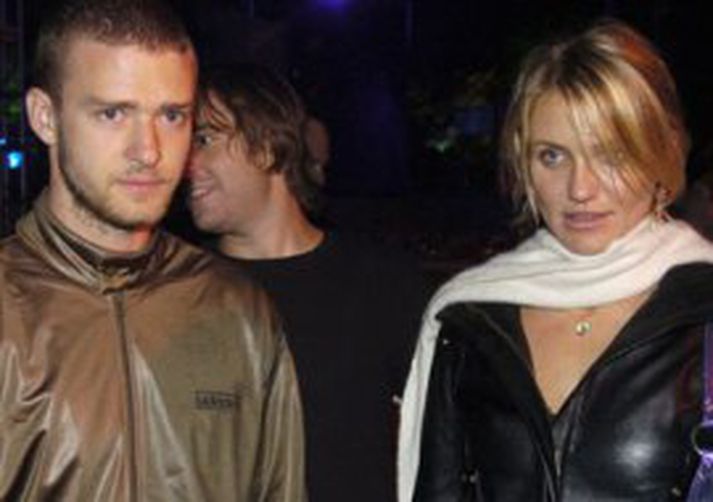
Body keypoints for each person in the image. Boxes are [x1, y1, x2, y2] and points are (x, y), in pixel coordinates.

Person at [0, 1, 306, 501]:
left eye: (171, 115)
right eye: (113, 113)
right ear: (44, 117)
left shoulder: (238, 311)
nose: (149, 150)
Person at [398, 19, 713, 501]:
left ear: (659, 154)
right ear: (523, 163)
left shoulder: (703, 307)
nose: (579, 188)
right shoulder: (469, 319)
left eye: (610, 155)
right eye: (552, 156)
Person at [187, 63, 431, 502]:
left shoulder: (380, 284)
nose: (185, 164)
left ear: (266, 145)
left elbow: (449, 436)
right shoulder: (173, 291)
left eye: (203, 140)